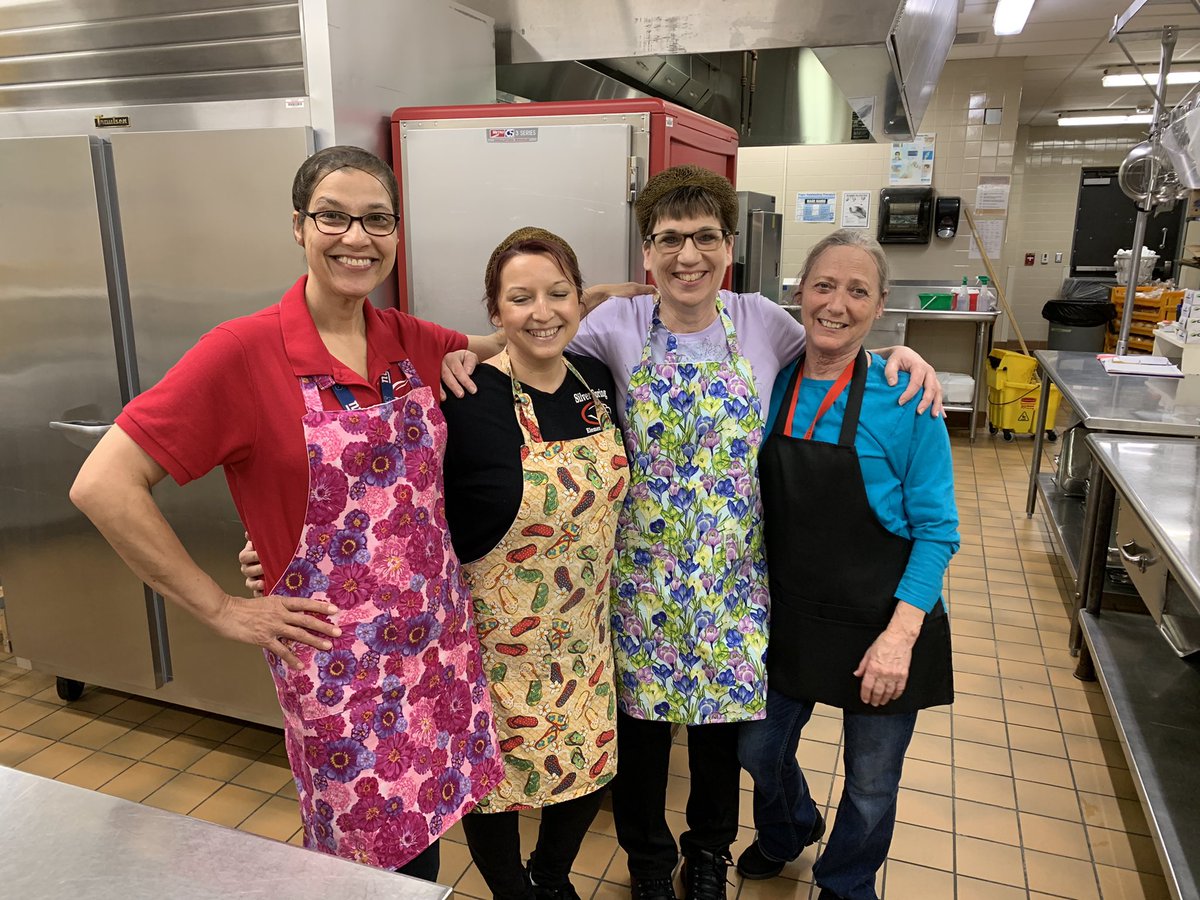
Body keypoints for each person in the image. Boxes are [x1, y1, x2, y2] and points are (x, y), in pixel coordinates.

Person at [443, 166, 945, 900]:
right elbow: (538, 327)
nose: (689, 255)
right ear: (647, 253)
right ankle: (648, 863)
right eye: (671, 239)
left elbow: (839, 352)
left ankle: (706, 855)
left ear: (728, 247)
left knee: (720, 740)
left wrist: (905, 356)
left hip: (735, 580)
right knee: (641, 741)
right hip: (640, 582)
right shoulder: (615, 325)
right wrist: (472, 351)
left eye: (705, 237)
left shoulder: (765, 324)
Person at [69, 145, 513, 880]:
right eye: (333, 216)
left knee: (426, 845)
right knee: (367, 870)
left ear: (396, 234)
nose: (356, 237)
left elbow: (514, 340)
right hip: (339, 669)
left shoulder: (405, 338)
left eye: (376, 219)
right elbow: (103, 484)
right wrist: (220, 609)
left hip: (436, 649)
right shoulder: (242, 352)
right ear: (299, 228)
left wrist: (596, 303)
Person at [735, 229, 958, 900]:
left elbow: (938, 531)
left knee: (869, 781)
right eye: (824, 285)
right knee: (756, 750)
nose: (836, 303)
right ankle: (788, 828)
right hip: (790, 613)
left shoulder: (905, 398)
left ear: (880, 303)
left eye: (857, 290)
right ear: (798, 292)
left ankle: (846, 879)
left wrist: (900, 636)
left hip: (882, 618)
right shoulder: (765, 376)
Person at [444, 227, 627, 900]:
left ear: (579, 301)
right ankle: (512, 892)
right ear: (495, 312)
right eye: (521, 298)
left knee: (589, 768)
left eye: (558, 293)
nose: (542, 311)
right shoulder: (465, 398)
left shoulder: (597, 379)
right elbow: (398, 500)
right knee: (493, 785)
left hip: (582, 634)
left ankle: (550, 874)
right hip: (494, 640)